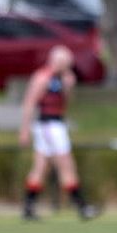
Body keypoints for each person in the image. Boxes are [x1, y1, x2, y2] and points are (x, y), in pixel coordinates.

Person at [18, 45, 98, 221]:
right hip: (49, 125)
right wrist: (24, 130)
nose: (69, 66)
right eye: (66, 63)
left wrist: (68, 87)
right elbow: (29, 103)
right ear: (57, 61)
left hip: (56, 124)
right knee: (67, 165)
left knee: (40, 168)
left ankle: (28, 207)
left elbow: (66, 103)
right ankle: (82, 207)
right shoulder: (42, 78)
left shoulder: (62, 79)